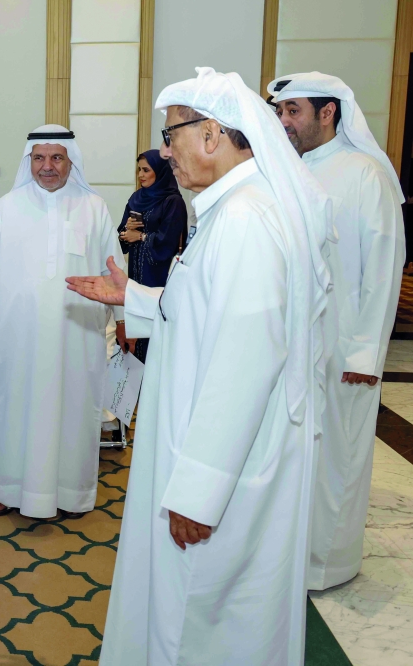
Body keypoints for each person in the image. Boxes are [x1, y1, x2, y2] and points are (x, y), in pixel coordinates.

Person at [70, 67, 332, 666]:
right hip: (217, 453)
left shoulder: (244, 219)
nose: (165, 152)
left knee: (202, 622)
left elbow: (245, 364)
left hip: (224, 469)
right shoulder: (233, 209)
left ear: (211, 134)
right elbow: (203, 310)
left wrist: (198, 492)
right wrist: (135, 297)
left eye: (171, 136)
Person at [270, 72, 406, 590]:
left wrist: (365, 354)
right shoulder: (288, 171)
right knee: (295, 458)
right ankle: (287, 561)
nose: (284, 121)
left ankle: (328, 564)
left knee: (338, 459)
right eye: (280, 112)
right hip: (292, 346)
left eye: (294, 111)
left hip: (345, 348)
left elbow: (384, 268)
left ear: (328, 113)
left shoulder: (365, 174)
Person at [0, 125, 126, 519]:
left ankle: (71, 492)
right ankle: (7, 488)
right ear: (29, 161)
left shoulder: (94, 207)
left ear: (70, 161)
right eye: (39, 158)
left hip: (76, 331)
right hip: (19, 331)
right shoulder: (7, 206)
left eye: (57, 158)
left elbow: (113, 270)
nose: (48, 166)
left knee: (75, 406)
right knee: (15, 405)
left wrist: (123, 319)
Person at [116, 150, 187, 363]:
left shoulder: (173, 202)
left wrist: (141, 236)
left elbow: (168, 242)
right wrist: (127, 231)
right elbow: (121, 241)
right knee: (136, 337)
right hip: (136, 276)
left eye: (146, 170)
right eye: (139, 169)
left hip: (159, 279)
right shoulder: (136, 198)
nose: (140, 175)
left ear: (160, 171)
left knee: (156, 338)